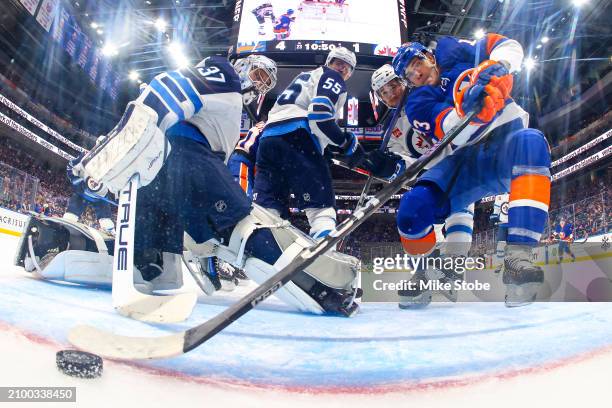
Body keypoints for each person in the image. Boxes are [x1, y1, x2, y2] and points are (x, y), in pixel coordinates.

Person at [26, 54, 361, 317]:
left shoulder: (233, 115)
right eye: (258, 74)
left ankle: (56, 246)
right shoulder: (225, 74)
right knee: (245, 230)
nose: (258, 85)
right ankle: (330, 287)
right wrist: (113, 151)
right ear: (242, 65)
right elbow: (165, 89)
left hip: (165, 183)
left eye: (264, 83)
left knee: (157, 269)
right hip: (186, 161)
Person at [390, 34, 551, 307]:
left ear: (428, 56)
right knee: (411, 211)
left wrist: (500, 65)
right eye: (408, 74)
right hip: (464, 161)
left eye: (417, 62)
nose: (416, 73)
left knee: (532, 141)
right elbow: (457, 132)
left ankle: (518, 257)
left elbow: (510, 45)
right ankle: (427, 269)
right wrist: (473, 111)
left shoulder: (452, 50)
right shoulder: (418, 103)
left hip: (506, 144)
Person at [367, 64, 475, 306]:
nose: (390, 93)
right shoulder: (392, 129)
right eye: (383, 92)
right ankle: (423, 275)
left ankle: (453, 270)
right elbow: (402, 167)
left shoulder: (430, 96)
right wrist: (390, 164)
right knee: (413, 218)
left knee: (461, 209)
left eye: (393, 85)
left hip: (456, 164)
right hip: (428, 177)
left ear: (404, 81)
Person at [254, 47, 363, 242]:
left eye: (347, 67)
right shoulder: (332, 77)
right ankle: (324, 254)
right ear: (329, 63)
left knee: (270, 206)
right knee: (320, 206)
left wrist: (325, 148)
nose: (342, 69)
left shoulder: (305, 76)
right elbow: (320, 116)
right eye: (339, 63)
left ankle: (266, 250)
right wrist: (347, 143)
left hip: (268, 139)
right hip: (297, 136)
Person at [64, 152, 116, 234]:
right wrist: (75, 177)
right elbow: (70, 168)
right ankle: (69, 219)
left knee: (105, 215)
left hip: (99, 198)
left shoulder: (110, 170)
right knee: (73, 210)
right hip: (82, 193)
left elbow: (115, 186)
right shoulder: (86, 163)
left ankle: (108, 227)